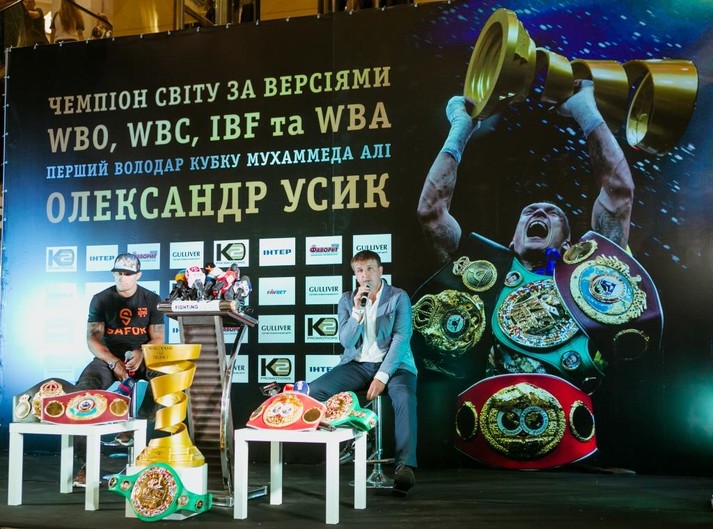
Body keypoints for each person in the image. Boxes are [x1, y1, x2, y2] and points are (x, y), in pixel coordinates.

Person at [308, 250, 418, 496]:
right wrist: (357, 311)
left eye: (370, 269)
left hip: (396, 365)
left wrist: (382, 376)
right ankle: (355, 436)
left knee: (404, 397)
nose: (365, 275)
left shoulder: (398, 297)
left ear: (380, 271)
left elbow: (402, 338)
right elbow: (346, 341)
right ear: (355, 276)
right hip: (357, 365)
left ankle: (404, 467)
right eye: (360, 271)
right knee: (315, 391)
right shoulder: (347, 300)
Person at [72, 253, 164, 486]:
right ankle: (87, 465)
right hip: (108, 357)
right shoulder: (101, 299)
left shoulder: (151, 299)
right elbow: (93, 340)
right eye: (118, 273)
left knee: (166, 379)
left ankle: (133, 428)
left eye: (128, 274)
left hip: (143, 355)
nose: (122, 278)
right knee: (82, 393)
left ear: (138, 275)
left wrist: (141, 353)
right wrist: (113, 362)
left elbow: (158, 338)